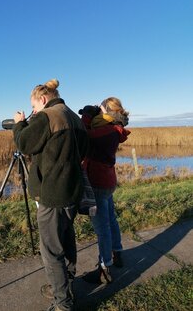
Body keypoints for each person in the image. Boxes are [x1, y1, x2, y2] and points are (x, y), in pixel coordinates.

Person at [13, 79, 88, 311]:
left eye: (34, 107)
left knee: (51, 250)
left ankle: (63, 303)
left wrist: (19, 124)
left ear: (43, 100)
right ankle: (66, 285)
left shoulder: (49, 115)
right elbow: (83, 151)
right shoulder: (73, 116)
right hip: (72, 191)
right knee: (66, 240)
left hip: (53, 195)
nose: (33, 112)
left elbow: (25, 143)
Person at [79, 97, 130, 284]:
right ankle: (117, 254)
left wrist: (86, 117)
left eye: (100, 109)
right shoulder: (113, 128)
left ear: (108, 111)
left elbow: (82, 136)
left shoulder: (106, 131)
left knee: (102, 228)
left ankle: (104, 268)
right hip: (108, 179)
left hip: (99, 182)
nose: (97, 113)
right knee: (111, 220)